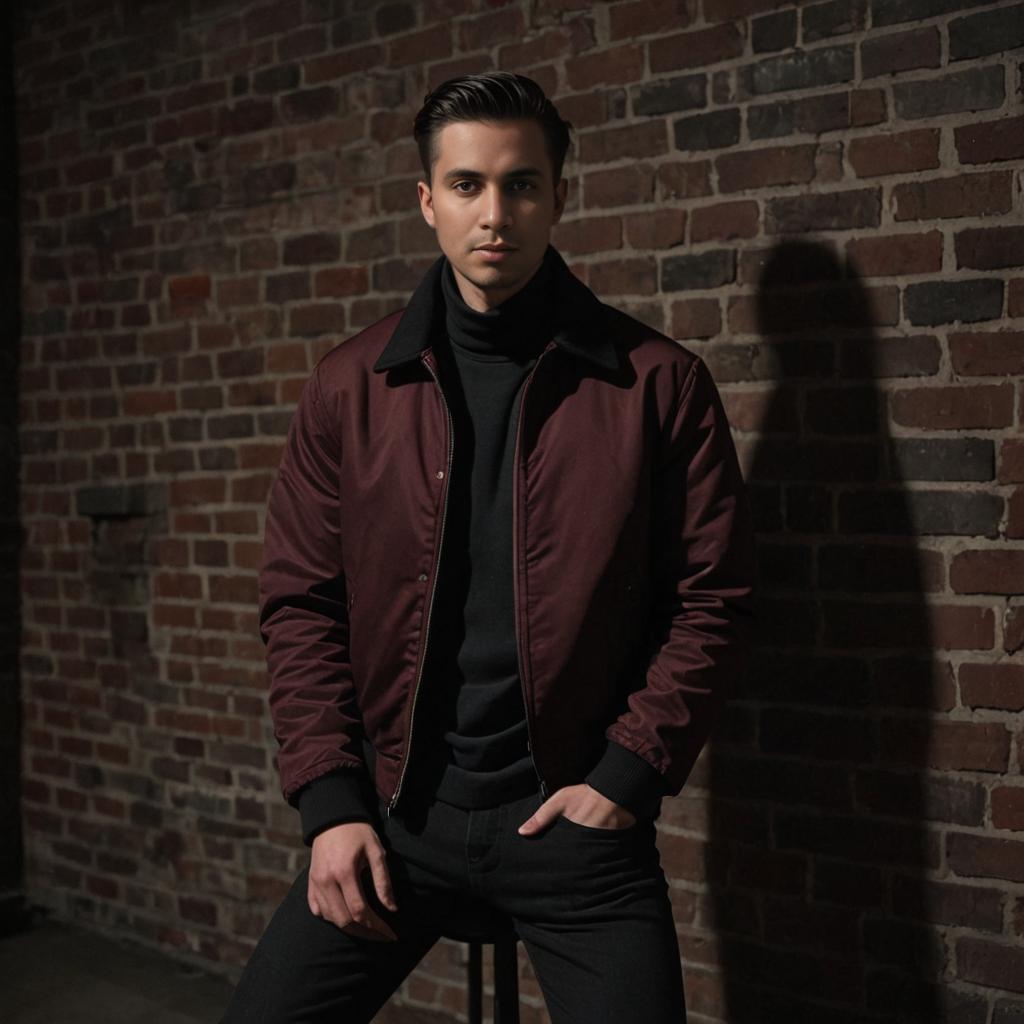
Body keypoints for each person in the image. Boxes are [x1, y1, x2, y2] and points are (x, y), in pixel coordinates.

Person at [219, 71, 756, 1023]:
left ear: (561, 195)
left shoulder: (659, 385)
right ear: (428, 201)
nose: (494, 212)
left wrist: (625, 778)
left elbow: (714, 597)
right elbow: (301, 603)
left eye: (521, 184)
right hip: (397, 817)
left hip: (575, 825)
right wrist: (333, 805)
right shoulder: (351, 388)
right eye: (467, 185)